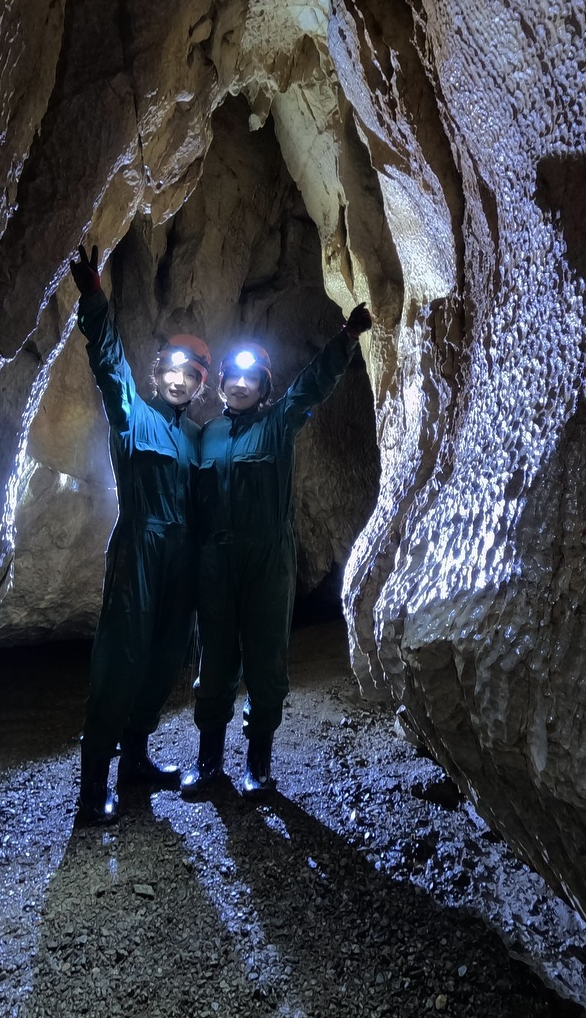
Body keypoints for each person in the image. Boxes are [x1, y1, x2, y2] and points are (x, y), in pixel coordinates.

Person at [181, 302, 373, 801]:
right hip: (216, 562)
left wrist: (345, 338)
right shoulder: (207, 435)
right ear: (222, 384)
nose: (240, 386)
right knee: (216, 660)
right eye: (233, 378)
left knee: (267, 661)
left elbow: (311, 385)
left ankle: (259, 764)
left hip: (268, 559)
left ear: (263, 387)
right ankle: (208, 763)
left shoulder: (279, 423)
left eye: (251, 380)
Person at [69, 243, 211, 826]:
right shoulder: (136, 415)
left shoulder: (199, 439)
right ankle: (94, 783)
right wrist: (95, 299)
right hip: (139, 552)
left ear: (201, 384)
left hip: (181, 561)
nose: (179, 381)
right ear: (159, 375)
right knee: (121, 660)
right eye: (172, 371)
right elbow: (109, 366)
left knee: (160, 662)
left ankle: (136, 761)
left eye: (191, 375)